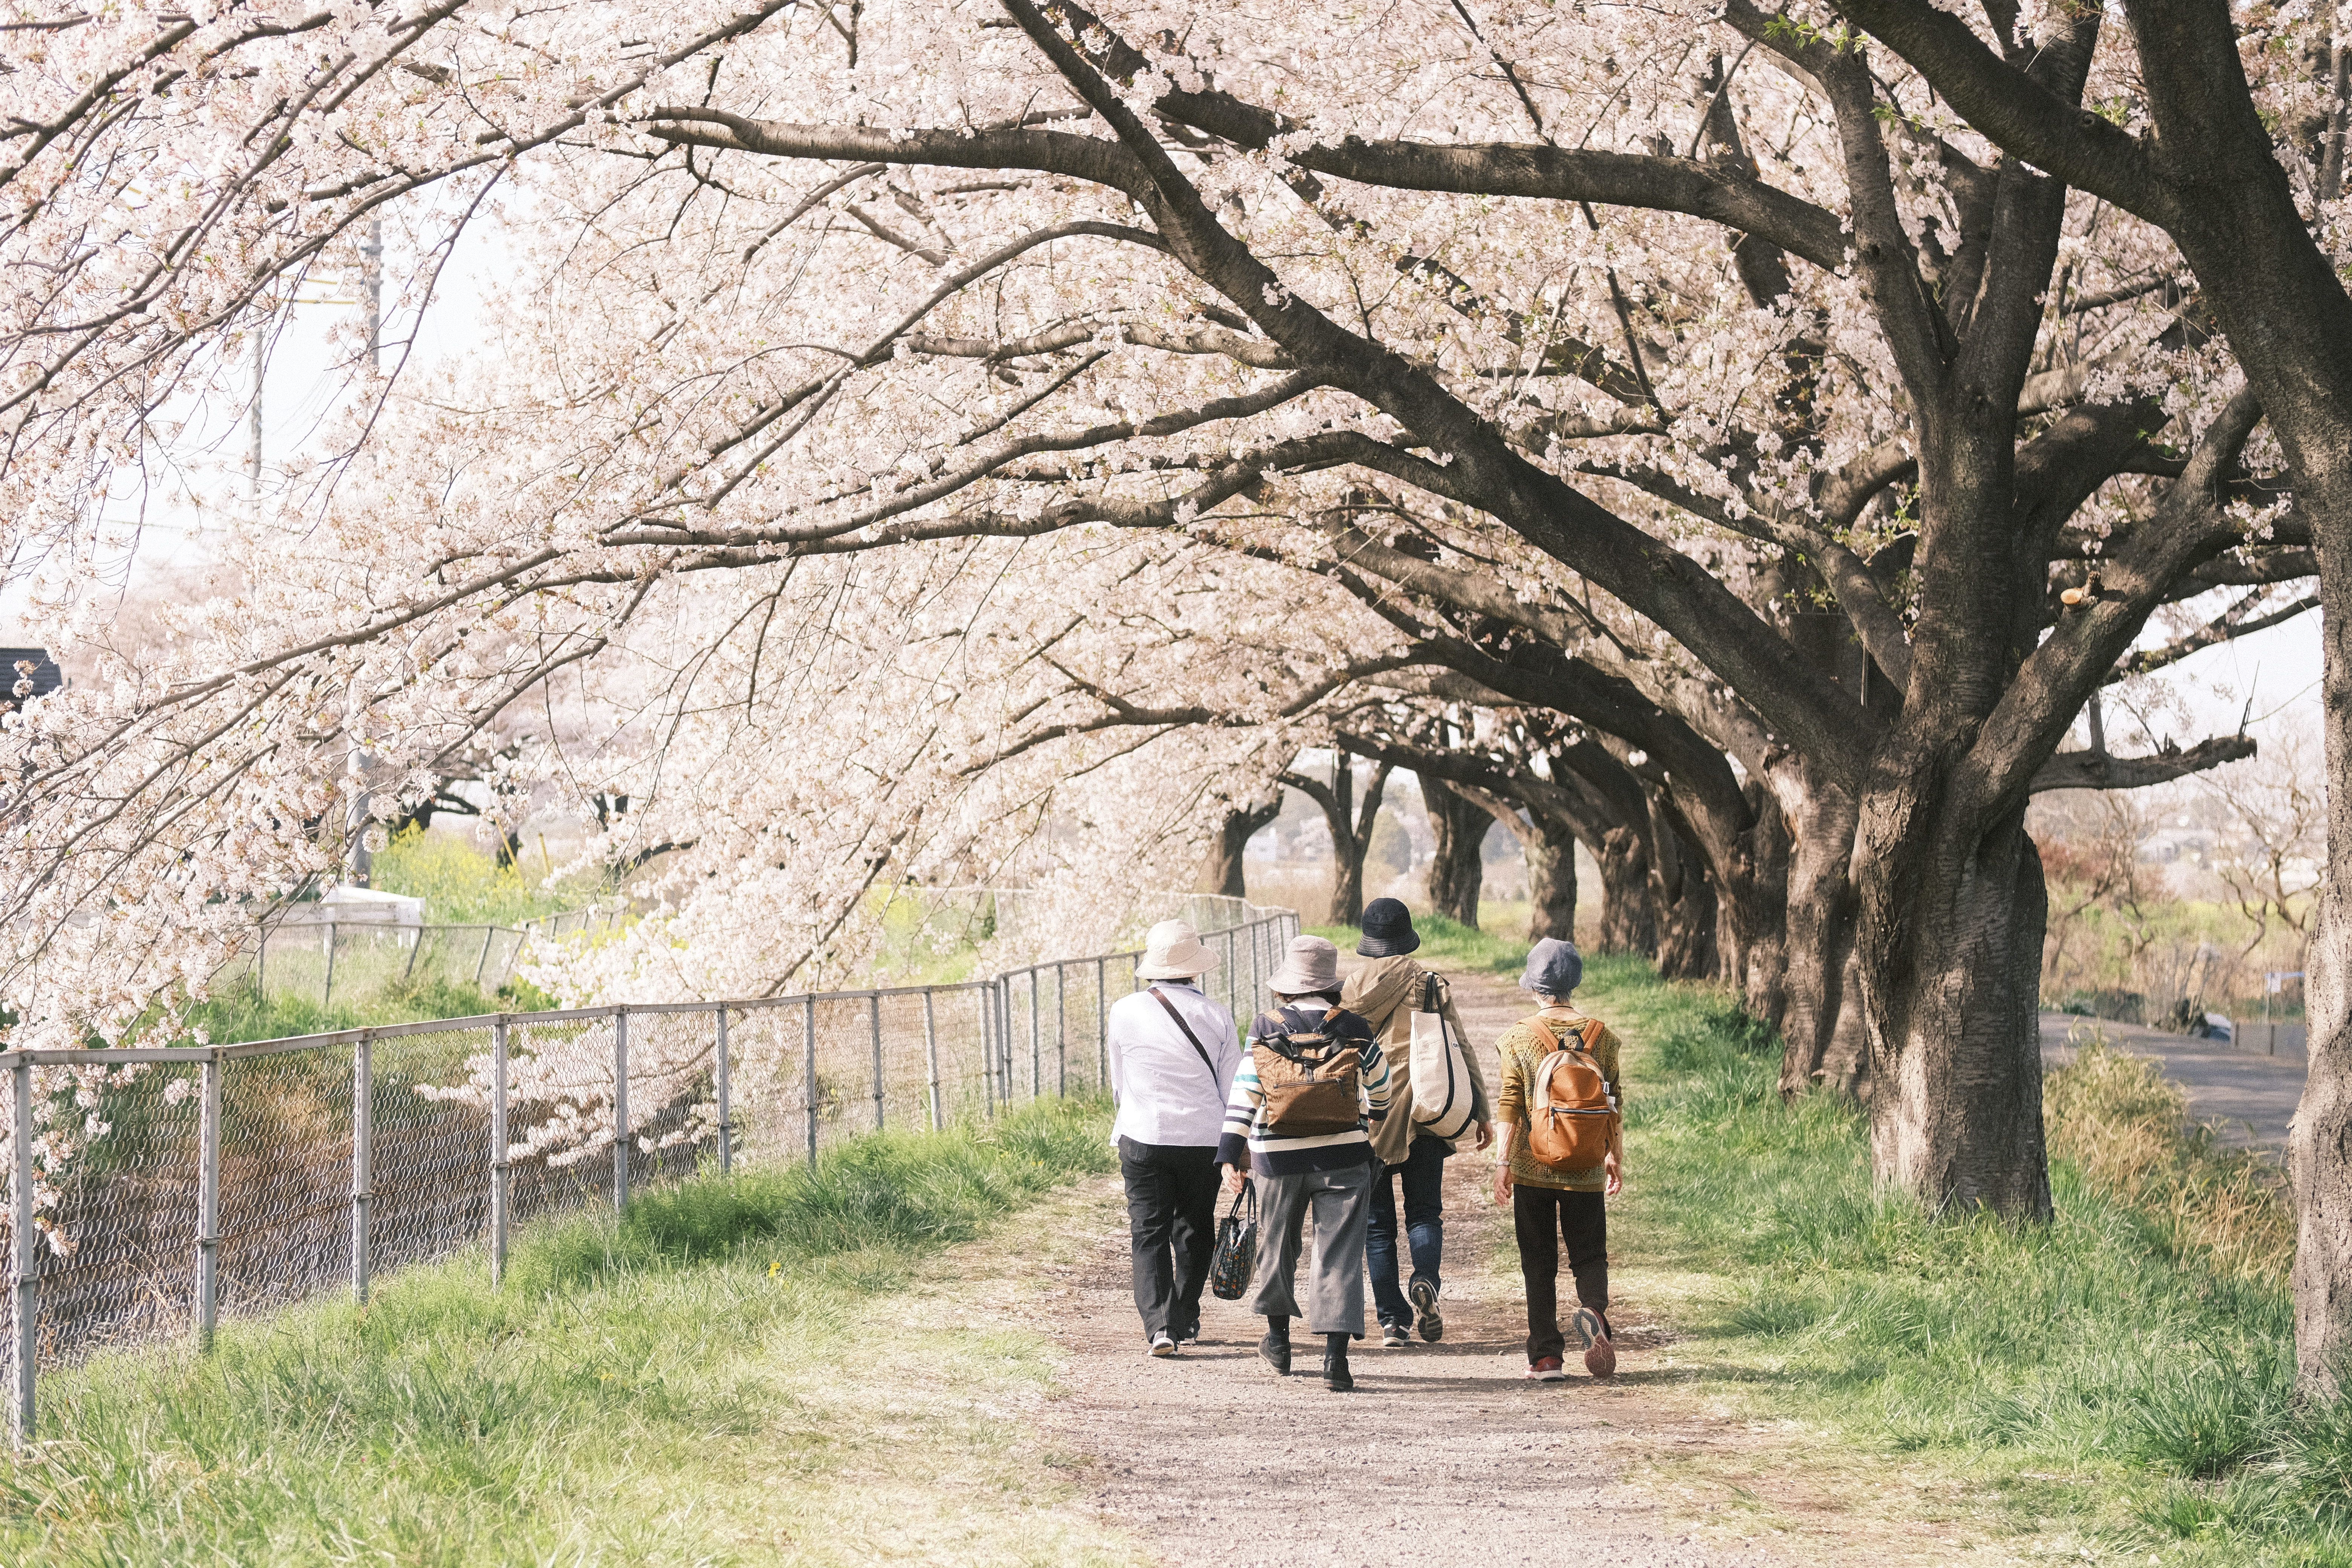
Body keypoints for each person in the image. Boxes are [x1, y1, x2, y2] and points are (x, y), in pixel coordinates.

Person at [1217, 934, 1391, 1392]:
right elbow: (1383, 1087)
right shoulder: (1356, 1026)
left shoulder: (1265, 1026)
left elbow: (1246, 1094)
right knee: (1339, 1255)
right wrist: (1371, 1120)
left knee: (1277, 1246)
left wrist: (1229, 1155)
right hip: (1345, 1156)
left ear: (1287, 985)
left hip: (1276, 1157)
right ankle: (1336, 1360)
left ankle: (1278, 1342)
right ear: (1330, 983)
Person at [1339, 897, 1491, 1349]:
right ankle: (1425, 1279)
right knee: (1425, 1212)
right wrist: (1481, 1110)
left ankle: (1392, 1321)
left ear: (1369, 939)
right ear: (1406, 935)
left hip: (1371, 1117)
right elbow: (1459, 1045)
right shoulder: (1428, 982)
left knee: (1377, 1224)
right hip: (1426, 1111)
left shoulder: (1348, 988)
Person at [1105, 919, 1243, 1357]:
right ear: (1194, 969)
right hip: (1203, 1137)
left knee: (1148, 1230)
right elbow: (1233, 1086)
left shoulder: (1124, 1010)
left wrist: (1136, 1110)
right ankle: (1183, 1314)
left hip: (1144, 1132)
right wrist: (1235, 1150)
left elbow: (1118, 1081)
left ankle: (1161, 1325)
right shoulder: (1218, 1015)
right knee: (1195, 1229)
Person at [1491, 937, 1623, 1382]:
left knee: (1538, 1260)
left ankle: (1546, 1356)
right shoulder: (1601, 1036)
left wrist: (1502, 1163)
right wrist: (1613, 1157)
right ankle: (1595, 1315)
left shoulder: (1519, 1037)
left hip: (1534, 1165)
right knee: (1590, 1254)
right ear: (1574, 983)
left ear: (1535, 986)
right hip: (1585, 1163)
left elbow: (1510, 1104)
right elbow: (1613, 1101)